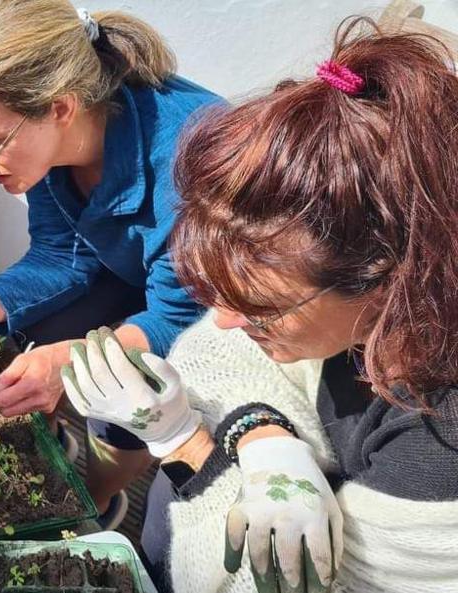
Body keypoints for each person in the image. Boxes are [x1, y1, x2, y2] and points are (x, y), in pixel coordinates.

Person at [61, 21, 458, 593]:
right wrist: (263, 435)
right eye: (218, 294)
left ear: (389, 282)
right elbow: (212, 348)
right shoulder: (343, 304)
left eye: (262, 309)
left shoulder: (440, 448)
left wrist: (186, 447)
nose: (223, 319)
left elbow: (300, 583)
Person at [0, 0, 218, 518]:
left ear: (61, 107)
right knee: (31, 334)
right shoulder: (53, 148)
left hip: (220, 306)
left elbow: (182, 318)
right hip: (136, 269)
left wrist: (75, 363)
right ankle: (51, 452)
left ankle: (94, 499)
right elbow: (59, 259)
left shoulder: (193, 158)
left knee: (115, 401)